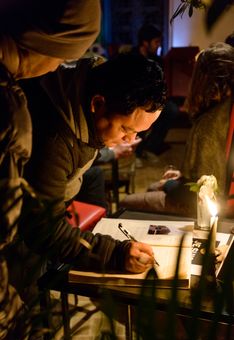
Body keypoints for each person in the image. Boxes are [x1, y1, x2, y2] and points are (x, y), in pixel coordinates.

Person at [7, 53, 165, 321]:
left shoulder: (89, 91)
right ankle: (32, 310)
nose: (131, 139)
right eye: (126, 129)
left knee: (92, 178)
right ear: (98, 104)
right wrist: (114, 253)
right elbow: (42, 228)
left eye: (138, 133)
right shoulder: (55, 139)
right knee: (29, 296)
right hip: (17, 226)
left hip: (52, 197)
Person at [0, 0, 101, 340]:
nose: (61, 67)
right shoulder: (10, 109)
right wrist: (13, 322)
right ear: (47, 45)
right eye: (64, 56)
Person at [120, 42, 234, 219]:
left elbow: (199, 193)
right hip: (221, 201)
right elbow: (217, 172)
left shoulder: (208, 125)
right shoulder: (227, 113)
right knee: (154, 188)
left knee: (127, 203)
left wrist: (168, 184)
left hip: (208, 209)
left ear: (203, 79)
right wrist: (182, 176)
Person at [130, 23, 180, 161]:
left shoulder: (157, 61)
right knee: (141, 111)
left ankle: (151, 146)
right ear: (145, 43)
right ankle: (136, 150)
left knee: (171, 109)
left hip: (152, 98)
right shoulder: (130, 58)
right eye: (156, 42)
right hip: (134, 99)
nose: (158, 45)